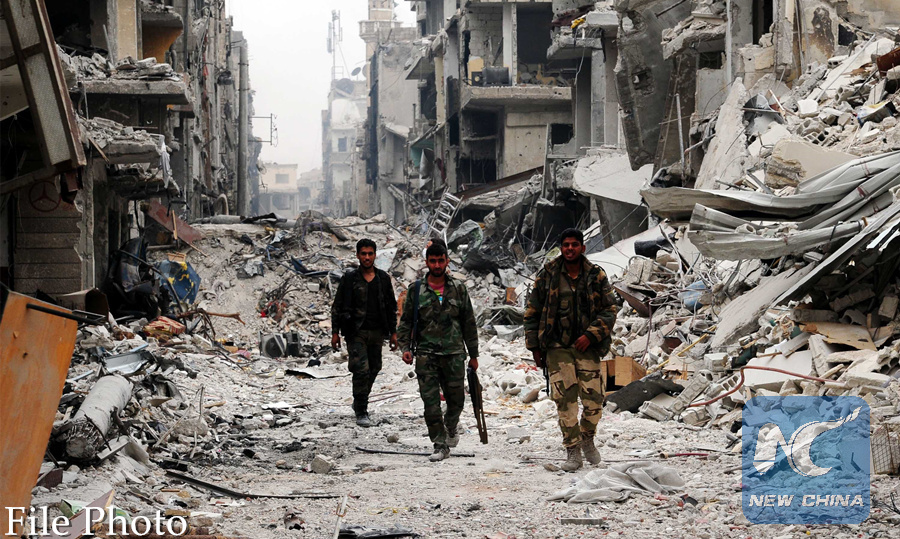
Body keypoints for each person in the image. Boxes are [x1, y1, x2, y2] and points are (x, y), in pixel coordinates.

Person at [523, 228, 618, 471]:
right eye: (566, 245)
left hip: (587, 346)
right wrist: (534, 347)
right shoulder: (548, 275)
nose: (570, 249)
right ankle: (572, 450)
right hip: (557, 347)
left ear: (582, 248)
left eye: (574, 244)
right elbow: (532, 312)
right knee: (565, 401)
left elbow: (609, 310)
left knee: (594, 400)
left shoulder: (595, 275)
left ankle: (587, 437)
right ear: (561, 248)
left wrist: (590, 335)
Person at [398, 241, 479, 461]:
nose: (436, 265)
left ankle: (451, 425)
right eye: (432, 261)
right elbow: (406, 321)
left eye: (440, 261)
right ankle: (440, 445)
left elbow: (468, 322)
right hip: (426, 356)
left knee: (457, 401)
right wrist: (405, 348)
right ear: (426, 263)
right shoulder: (416, 290)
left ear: (447, 261)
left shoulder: (459, 288)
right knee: (431, 404)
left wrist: (474, 355)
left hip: (454, 354)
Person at [331, 239, 398, 427]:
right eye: (363, 254)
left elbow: (391, 307)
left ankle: (359, 400)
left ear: (375, 255)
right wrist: (335, 333)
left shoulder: (383, 279)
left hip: (378, 331)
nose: (367, 257)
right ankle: (361, 410)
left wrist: (394, 333)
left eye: (370, 254)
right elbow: (337, 306)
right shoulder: (349, 279)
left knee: (374, 368)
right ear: (358, 255)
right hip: (355, 331)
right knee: (361, 370)